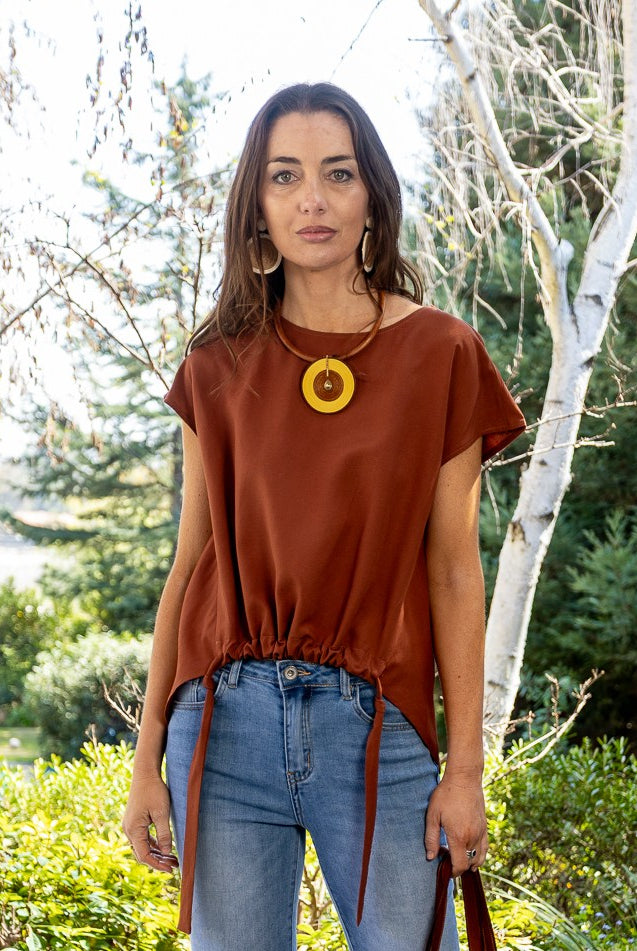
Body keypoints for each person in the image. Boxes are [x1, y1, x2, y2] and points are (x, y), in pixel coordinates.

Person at [122, 82, 525, 951]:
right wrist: (146, 756)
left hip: (378, 726)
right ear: (257, 206)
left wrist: (464, 769)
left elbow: (455, 569)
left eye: (338, 173)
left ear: (372, 196)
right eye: (285, 176)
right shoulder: (217, 365)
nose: (312, 198)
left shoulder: (441, 353)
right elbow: (189, 567)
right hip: (222, 726)